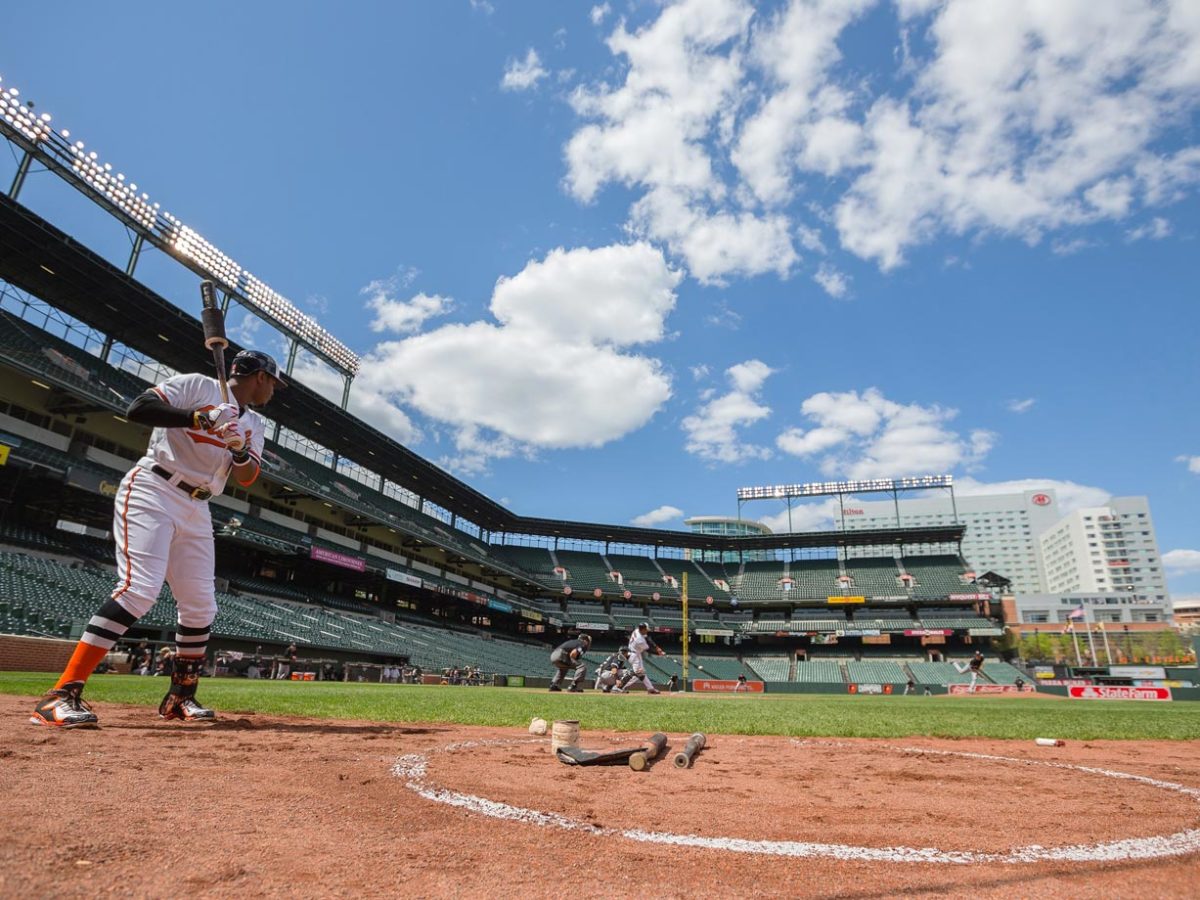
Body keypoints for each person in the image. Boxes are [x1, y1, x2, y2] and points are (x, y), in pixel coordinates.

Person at [30, 349, 282, 728]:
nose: (274, 391)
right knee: (138, 589)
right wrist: (200, 417)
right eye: (273, 383)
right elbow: (139, 408)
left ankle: (180, 697)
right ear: (260, 376)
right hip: (155, 487)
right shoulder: (197, 385)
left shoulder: (256, 424)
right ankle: (60, 695)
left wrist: (239, 448)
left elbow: (247, 477)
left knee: (200, 606)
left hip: (198, 505)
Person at [617, 623, 665, 694]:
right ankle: (619, 687)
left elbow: (648, 638)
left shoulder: (637, 630)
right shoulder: (639, 639)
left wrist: (656, 647)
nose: (647, 631)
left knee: (641, 672)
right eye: (646, 630)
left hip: (635, 654)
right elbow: (648, 650)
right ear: (642, 629)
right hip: (634, 655)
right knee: (637, 674)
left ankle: (650, 689)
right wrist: (659, 653)